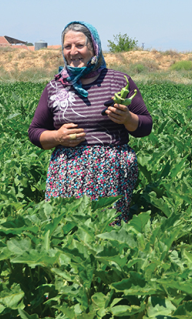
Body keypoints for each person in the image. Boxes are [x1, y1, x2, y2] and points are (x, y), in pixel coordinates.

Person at [28, 21, 152, 225]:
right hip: (67, 174)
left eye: (79, 45)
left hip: (110, 174)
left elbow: (145, 126)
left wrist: (128, 119)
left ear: (94, 48)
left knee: (108, 231)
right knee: (66, 230)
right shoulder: (54, 87)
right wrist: (57, 137)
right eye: (67, 46)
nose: (73, 51)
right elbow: (35, 132)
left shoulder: (120, 81)